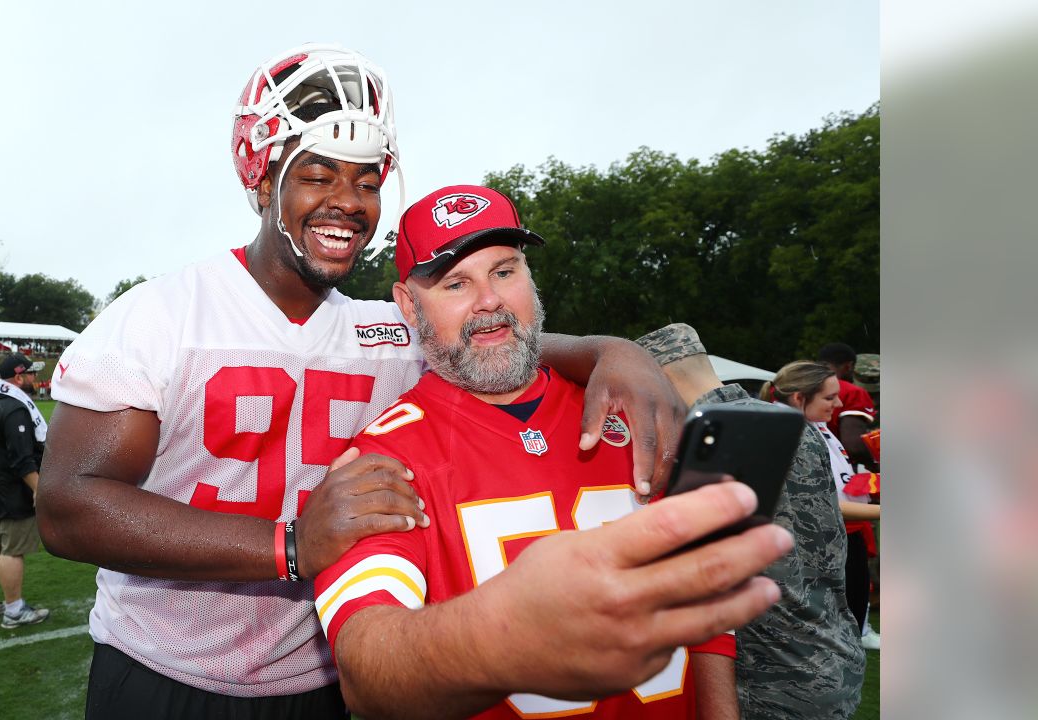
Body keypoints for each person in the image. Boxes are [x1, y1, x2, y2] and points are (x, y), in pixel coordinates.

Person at [38, 44, 725, 720]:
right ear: (260, 175)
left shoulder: (387, 331)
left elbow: (500, 339)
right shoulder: (161, 316)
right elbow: (69, 507)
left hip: (320, 680)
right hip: (165, 671)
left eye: (366, 183)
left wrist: (614, 351)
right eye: (318, 175)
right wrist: (289, 547)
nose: (347, 202)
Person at [311, 188, 788, 720]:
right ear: (407, 304)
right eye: (456, 283)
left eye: (505, 271)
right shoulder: (383, 455)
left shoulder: (632, 408)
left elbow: (702, 594)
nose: (489, 301)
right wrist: (502, 637)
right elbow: (367, 671)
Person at [635, 324, 865, 719]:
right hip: (830, 652)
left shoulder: (711, 444)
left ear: (660, 379)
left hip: (772, 673)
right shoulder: (785, 424)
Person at [762, 361, 881, 650]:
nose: (838, 403)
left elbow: (833, 485)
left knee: (847, 621)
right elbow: (820, 503)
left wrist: (865, 486)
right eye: (829, 398)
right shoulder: (791, 433)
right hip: (815, 544)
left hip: (838, 537)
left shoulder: (811, 425)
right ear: (799, 398)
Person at [0, 352, 51, 629]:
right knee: (12, 550)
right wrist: (38, 489)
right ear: (19, 376)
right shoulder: (15, 408)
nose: (35, 379)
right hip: (13, 487)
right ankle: (14, 610)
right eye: (31, 374)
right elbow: (21, 459)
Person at [818, 342, 878, 470]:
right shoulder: (852, 391)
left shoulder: (792, 387)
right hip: (837, 470)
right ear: (849, 366)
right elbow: (854, 446)